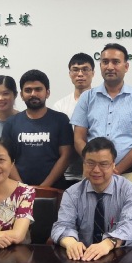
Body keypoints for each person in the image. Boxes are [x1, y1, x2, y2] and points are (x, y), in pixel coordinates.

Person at [71, 43, 132, 185]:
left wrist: (115, 170)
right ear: (100, 66)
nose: (110, 67)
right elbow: (78, 139)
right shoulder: (87, 97)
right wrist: (96, 166)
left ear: (126, 67)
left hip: (128, 176)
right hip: (93, 175)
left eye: (115, 62)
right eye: (105, 62)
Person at [51, 137, 132, 261]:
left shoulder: (129, 191)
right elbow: (61, 226)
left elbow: (131, 224)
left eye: (103, 164)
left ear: (113, 165)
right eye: (90, 163)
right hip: (84, 258)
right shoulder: (72, 193)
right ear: (83, 164)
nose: (96, 170)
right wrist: (71, 242)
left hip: (122, 257)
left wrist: (109, 243)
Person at [1, 70, 73, 188]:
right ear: (21, 95)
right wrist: (23, 187)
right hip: (18, 190)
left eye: (38, 89)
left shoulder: (61, 120)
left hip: (54, 190)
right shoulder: (11, 123)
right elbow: (6, 157)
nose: (33, 94)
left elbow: (66, 156)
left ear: (47, 93)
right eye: (28, 90)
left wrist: (44, 187)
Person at [52, 53, 95, 186]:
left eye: (85, 69)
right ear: (70, 74)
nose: (80, 74)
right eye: (75, 70)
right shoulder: (60, 106)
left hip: (95, 169)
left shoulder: (102, 102)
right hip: (67, 172)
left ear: (93, 73)